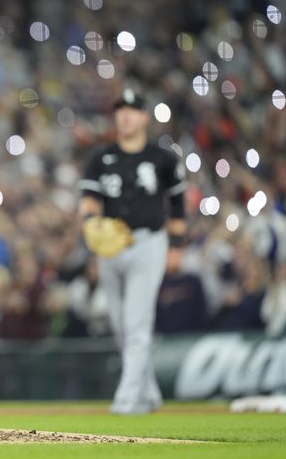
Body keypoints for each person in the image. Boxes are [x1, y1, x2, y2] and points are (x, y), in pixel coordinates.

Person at [77, 90, 187, 414]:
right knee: (119, 325)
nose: (125, 115)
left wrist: (177, 246)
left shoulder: (163, 159)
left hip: (149, 243)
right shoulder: (101, 157)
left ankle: (127, 399)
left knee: (136, 322)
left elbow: (178, 206)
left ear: (144, 117)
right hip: (111, 247)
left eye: (133, 109)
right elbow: (89, 200)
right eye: (121, 109)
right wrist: (90, 224)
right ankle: (149, 393)